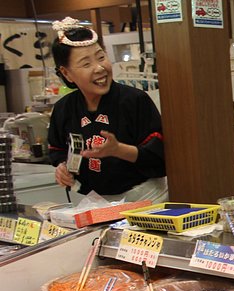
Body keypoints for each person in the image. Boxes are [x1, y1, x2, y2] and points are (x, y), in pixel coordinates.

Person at [47, 17, 167, 203]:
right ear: (66, 73)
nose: (99, 68)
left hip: (144, 198)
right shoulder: (64, 108)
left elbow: (160, 158)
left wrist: (118, 150)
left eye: (101, 57)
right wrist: (62, 168)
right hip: (94, 202)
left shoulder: (135, 100)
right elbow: (58, 150)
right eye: (86, 64)